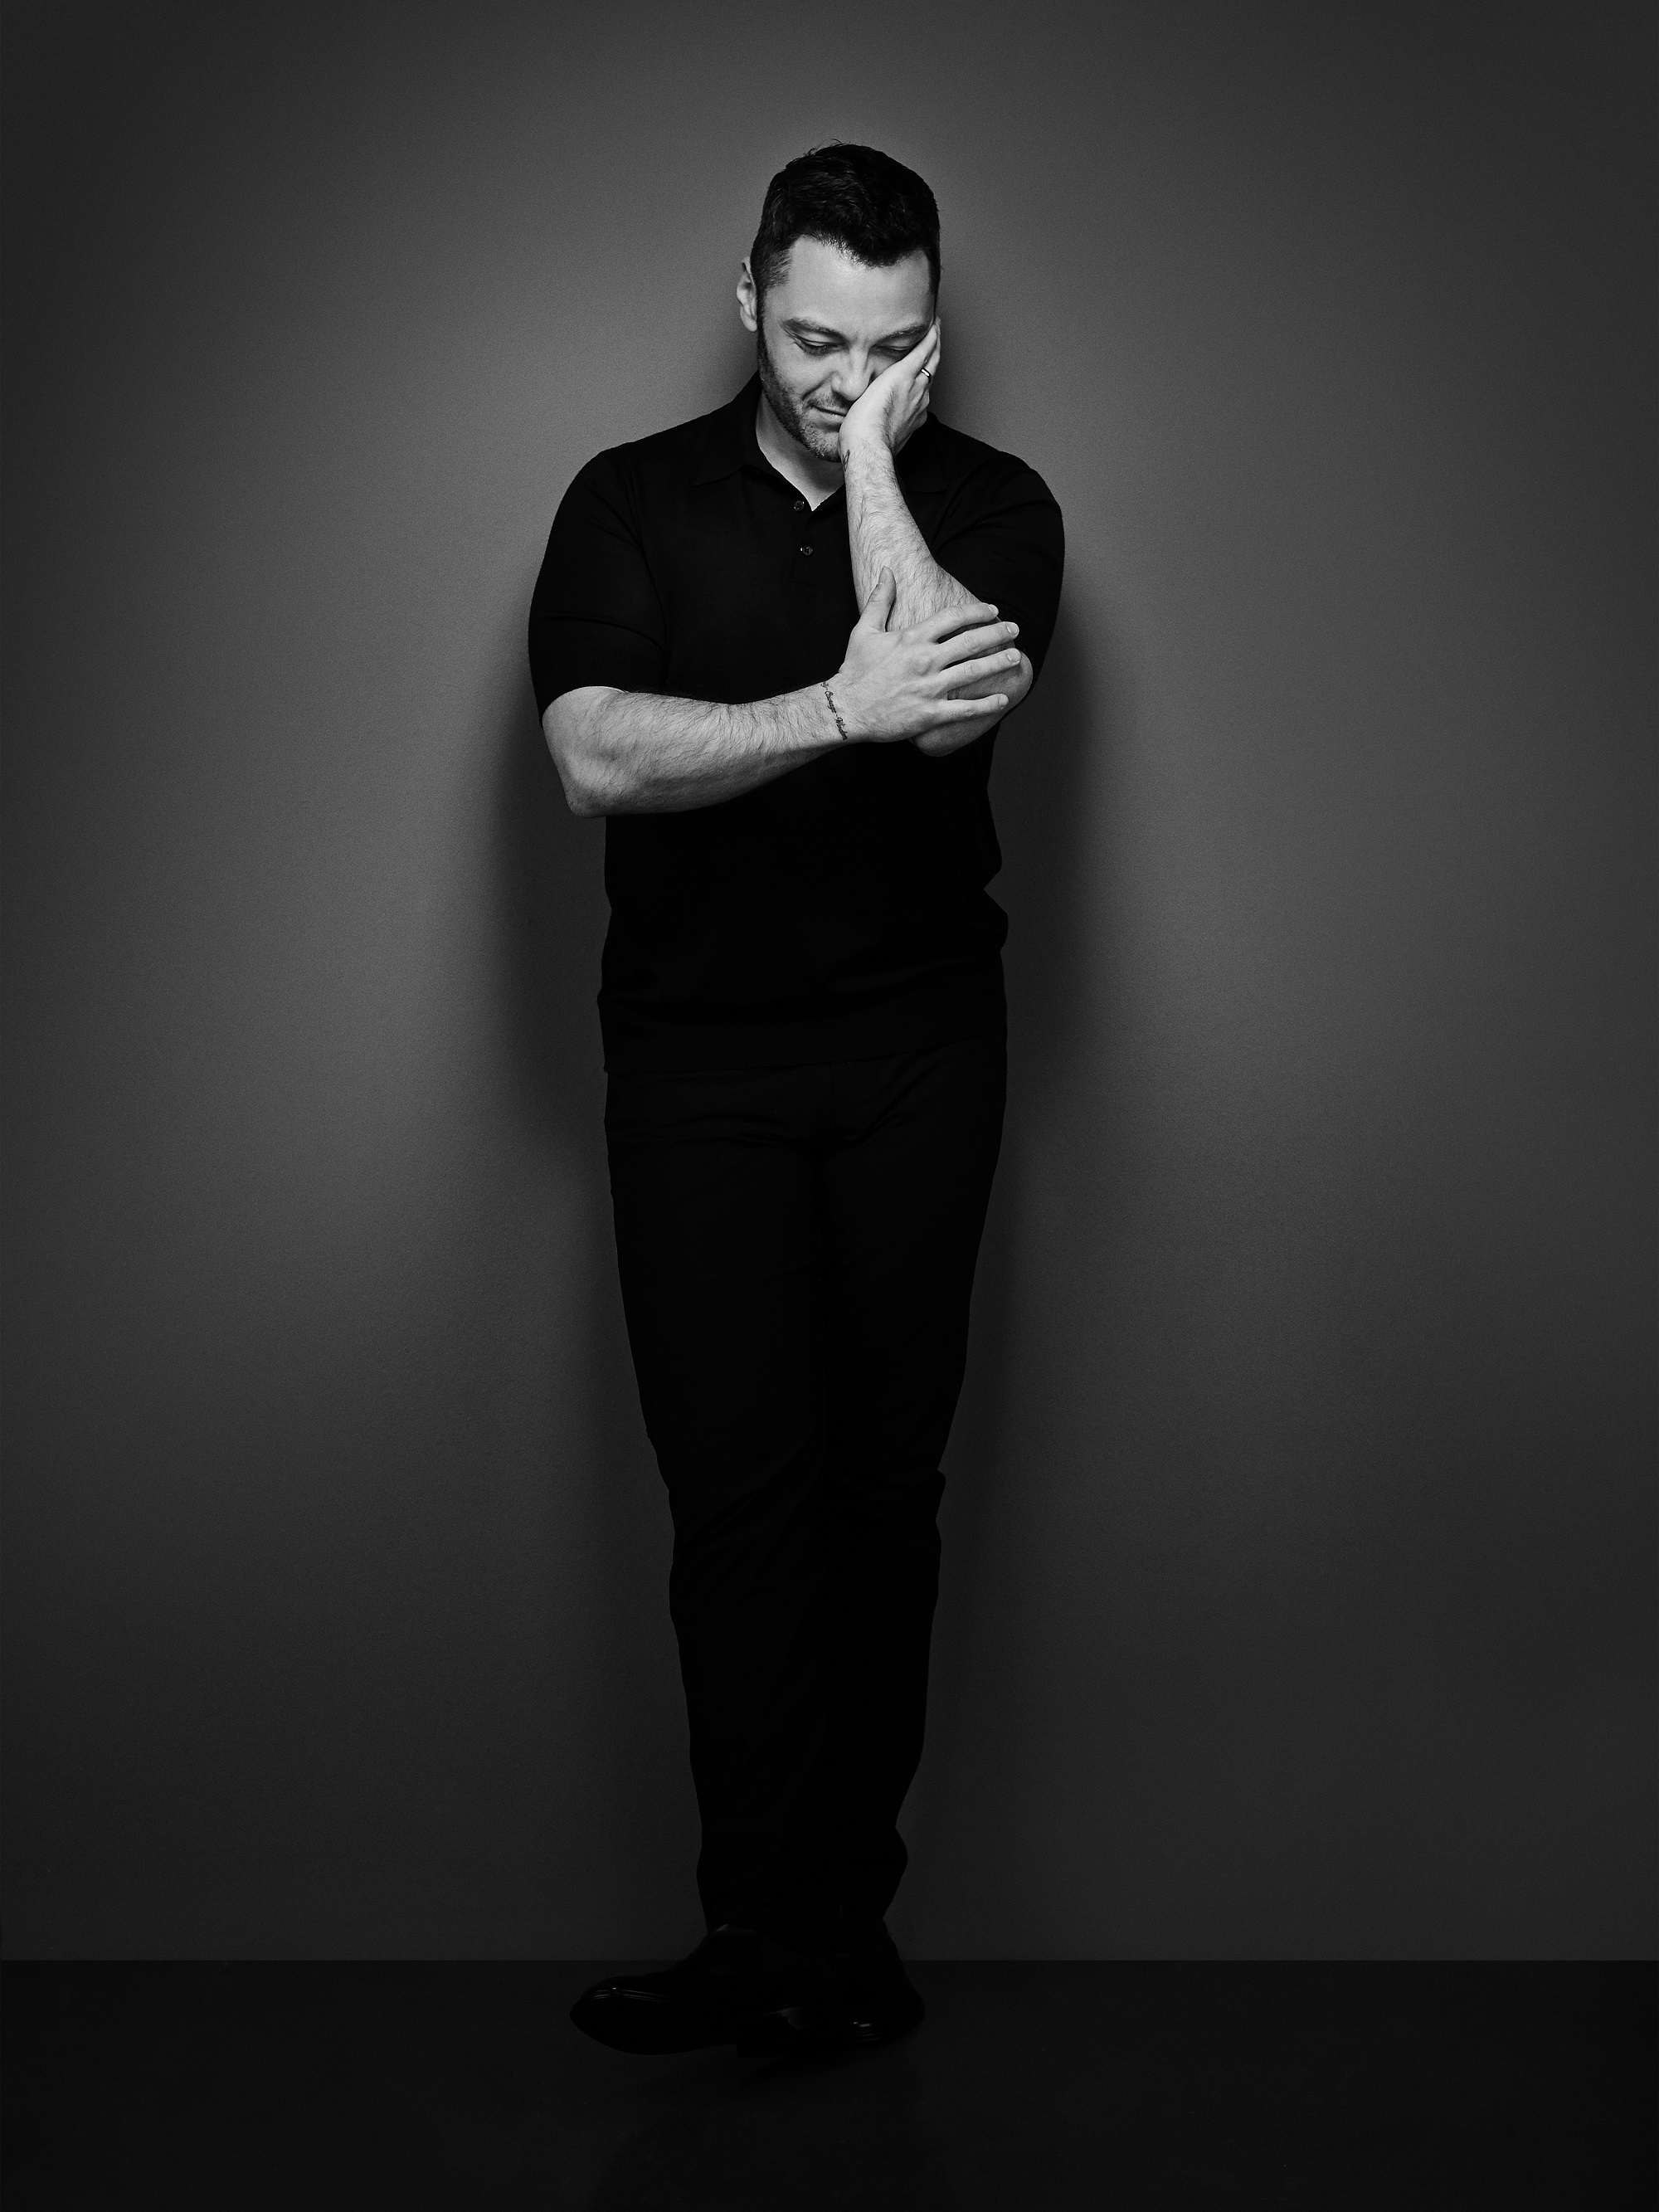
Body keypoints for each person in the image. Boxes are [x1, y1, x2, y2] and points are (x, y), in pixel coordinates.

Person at [528, 142, 1064, 2057]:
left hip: (919, 1052)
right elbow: (596, 754)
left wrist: (875, 471)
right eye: (819, 341)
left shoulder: (992, 504)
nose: (850, 378)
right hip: (698, 1069)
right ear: (748, 299)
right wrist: (835, 709)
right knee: (737, 1501)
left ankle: (845, 1932)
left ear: (935, 335)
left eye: (892, 348)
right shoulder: (629, 501)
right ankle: (755, 1928)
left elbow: (947, 693)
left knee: (880, 1492)